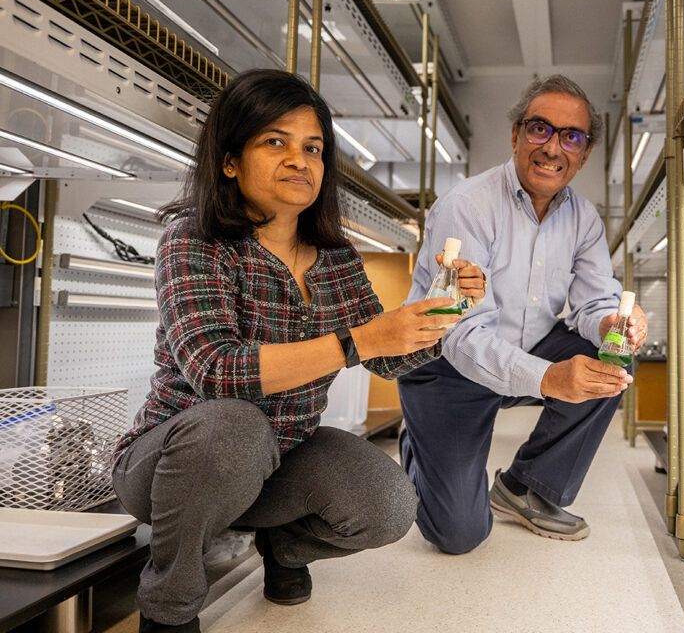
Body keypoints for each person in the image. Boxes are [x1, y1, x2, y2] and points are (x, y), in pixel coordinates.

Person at [110, 69, 485, 633]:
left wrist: (444, 315)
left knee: (387, 503)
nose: (299, 160)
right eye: (274, 142)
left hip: (279, 462)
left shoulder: (335, 259)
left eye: (313, 148)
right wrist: (357, 340)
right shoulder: (195, 240)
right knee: (233, 426)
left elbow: (383, 359)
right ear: (230, 160)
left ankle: (284, 546)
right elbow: (216, 372)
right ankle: (169, 607)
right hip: (174, 466)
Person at [397, 75, 648, 555]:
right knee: (458, 535)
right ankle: (422, 445)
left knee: (611, 361)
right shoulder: (468, 206)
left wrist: (612, 325)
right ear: (515, 135)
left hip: (522, 352)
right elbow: (462, 333)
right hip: (447, 366)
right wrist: (551, 378)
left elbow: (595, 302)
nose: (554, 147)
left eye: (571, 136)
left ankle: (526, 487)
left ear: (584, 153)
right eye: (540, 129)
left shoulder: (584, 219)